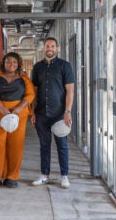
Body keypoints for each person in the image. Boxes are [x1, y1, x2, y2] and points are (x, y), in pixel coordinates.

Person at [0, 52, 35, 189]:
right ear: (3, 63)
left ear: (18, 64)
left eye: (14, 62)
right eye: (8, 61)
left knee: (16, 146)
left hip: (18, 115)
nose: (11, 64)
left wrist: (18, 109)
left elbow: (30, 95)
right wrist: (1, 108)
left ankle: (12, 177)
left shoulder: (24, 79)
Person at [30, 37, 75, 189]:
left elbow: (70, 91)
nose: (50, 48)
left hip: (59, 114)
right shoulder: (37, 68)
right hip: (41, 113)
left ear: (57, 48)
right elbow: (34, 92)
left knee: (62, 145)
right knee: (44, 145)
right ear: (44, 48)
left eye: (53, 46)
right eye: (47, 46)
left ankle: (64, 176)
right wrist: (33, 112)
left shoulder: (65, 66)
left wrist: (67, 111)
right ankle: (44, 175)